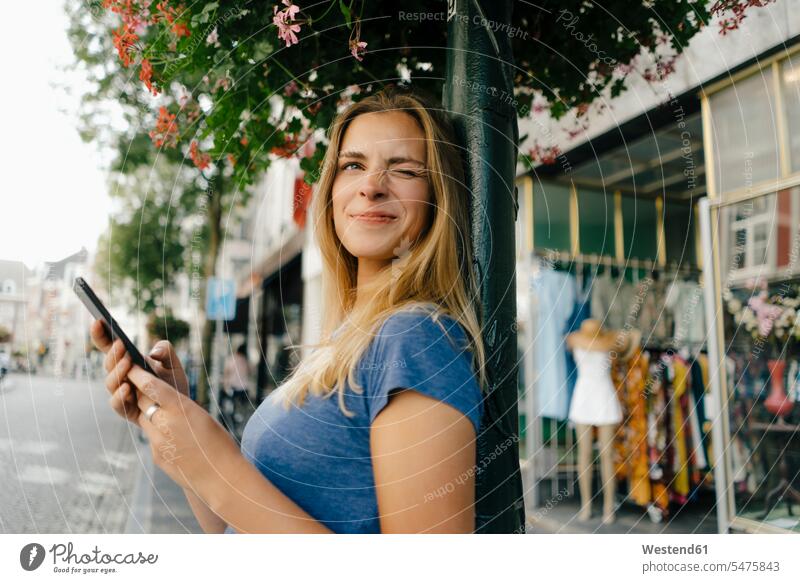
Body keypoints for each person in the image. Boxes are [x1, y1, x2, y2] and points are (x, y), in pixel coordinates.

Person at [91, 85, 487, 533]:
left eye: (404, 170)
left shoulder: (416, 339)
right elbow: (236, 527)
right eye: (352, 165)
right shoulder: (347, 338)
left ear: (438, 198)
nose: (372, 186)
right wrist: (185, 431)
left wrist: (218, 470)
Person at [219, 344, 251, 431]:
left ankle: (230, 425)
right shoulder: (245, 360)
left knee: (227, 407)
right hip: (244, 388)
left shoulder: (231, 359)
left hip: (233, 387)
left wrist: (225, 386)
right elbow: (249, 371)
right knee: (242, 409)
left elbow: (226, 373)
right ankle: (241, 425)